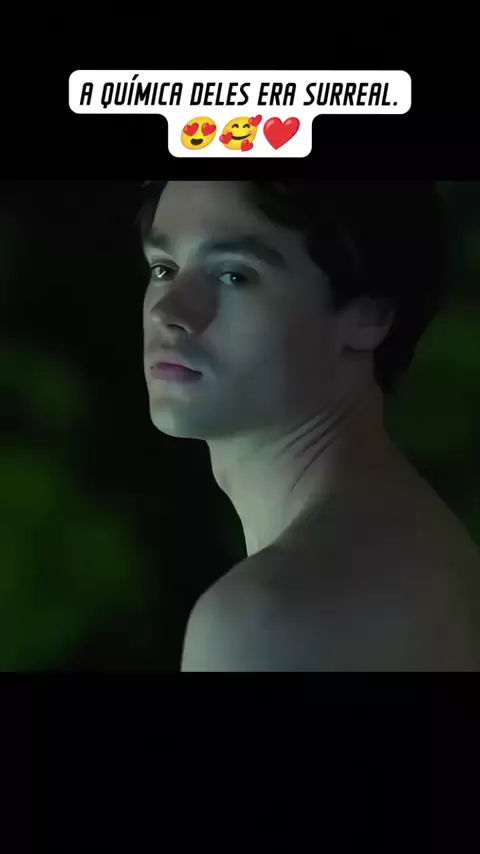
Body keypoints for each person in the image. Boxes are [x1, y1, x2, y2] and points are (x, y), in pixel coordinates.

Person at [139, 180, 480, 671]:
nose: (168, 310)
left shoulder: (269, 618)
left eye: (234, 275)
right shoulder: (436, 557)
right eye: (163, 268)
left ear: (368, 315)